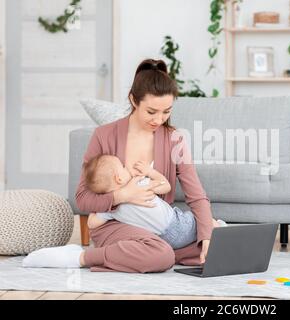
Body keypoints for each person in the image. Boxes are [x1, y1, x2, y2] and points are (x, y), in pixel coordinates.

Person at [22, 59, 217, 272]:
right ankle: (82, 257)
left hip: (158, 227)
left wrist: (206, 237)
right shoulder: (104, 135)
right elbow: (82, 199)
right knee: (160, 255)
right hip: (115, 225)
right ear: (134, 100)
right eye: (151, 112)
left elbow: (196, 195)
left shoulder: (175, 139)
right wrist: (122, 196)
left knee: (216, 234)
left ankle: (168, 251)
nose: (159, 120)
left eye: (166, 112)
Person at [83, 154, 225, 249]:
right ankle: (222, 229)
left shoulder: (111, 209)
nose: (127, 168)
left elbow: (91, 223)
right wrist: (149, 172)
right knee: (205, 221)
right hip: (177, 224)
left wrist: (99, 207)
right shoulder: (138, 185)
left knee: (196, 237)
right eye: (123, 167)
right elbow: (165, 186)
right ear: (118, 178)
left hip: (164, 240)